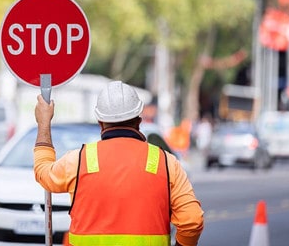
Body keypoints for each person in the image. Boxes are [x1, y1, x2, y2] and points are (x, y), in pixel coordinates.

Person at [34, 81, 204, 246]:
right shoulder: (166, 162)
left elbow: (43, 172)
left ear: (100, 123)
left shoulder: (79, 160)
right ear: (139, 120)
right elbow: (192, 221)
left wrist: (44, 123)